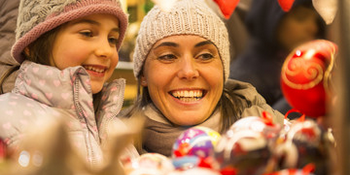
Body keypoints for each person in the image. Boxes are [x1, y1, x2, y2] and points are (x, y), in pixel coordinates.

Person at [120, 0, 284, 157]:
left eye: (205, 56)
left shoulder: (270, 131)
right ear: (143, 75)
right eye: (168, 56)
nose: (189, 71)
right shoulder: (109, 145)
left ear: (223, 70)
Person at [0, 0, 138, 167]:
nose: (107, 50)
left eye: (112, 39)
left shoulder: (114, 127)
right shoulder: (6, 117)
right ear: (33, 42)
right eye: (87, 33)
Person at [229, 0, 326, 116]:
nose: (313, 28)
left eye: (315, 20)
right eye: (301, 18)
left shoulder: (309, 61)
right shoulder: (242, 80)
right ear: (269, 19)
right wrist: (307, 95)